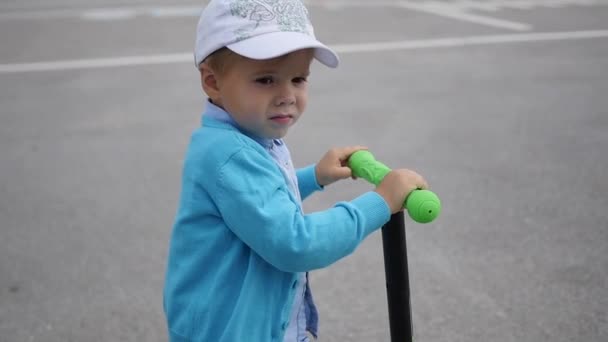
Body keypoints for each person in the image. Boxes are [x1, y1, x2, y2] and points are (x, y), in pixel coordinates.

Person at [163, 0, 429, 341]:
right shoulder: (231, 155)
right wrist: (380, 201)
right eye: (265, 80)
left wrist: (314, 177)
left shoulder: (243, 138)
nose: (287, 95)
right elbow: (295, 244)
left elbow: (260, 200)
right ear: (213, 82)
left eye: (298, 78)